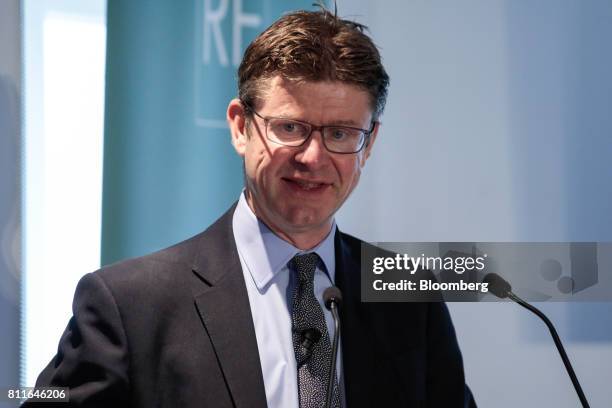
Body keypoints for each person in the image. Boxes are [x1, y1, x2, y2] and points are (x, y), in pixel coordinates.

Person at [25, 7, 475, 408]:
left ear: (369, 143)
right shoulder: (130, 305)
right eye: (290, 127)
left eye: (340, 133)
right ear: (241, 127)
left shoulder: (410, 298)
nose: (313, 157)